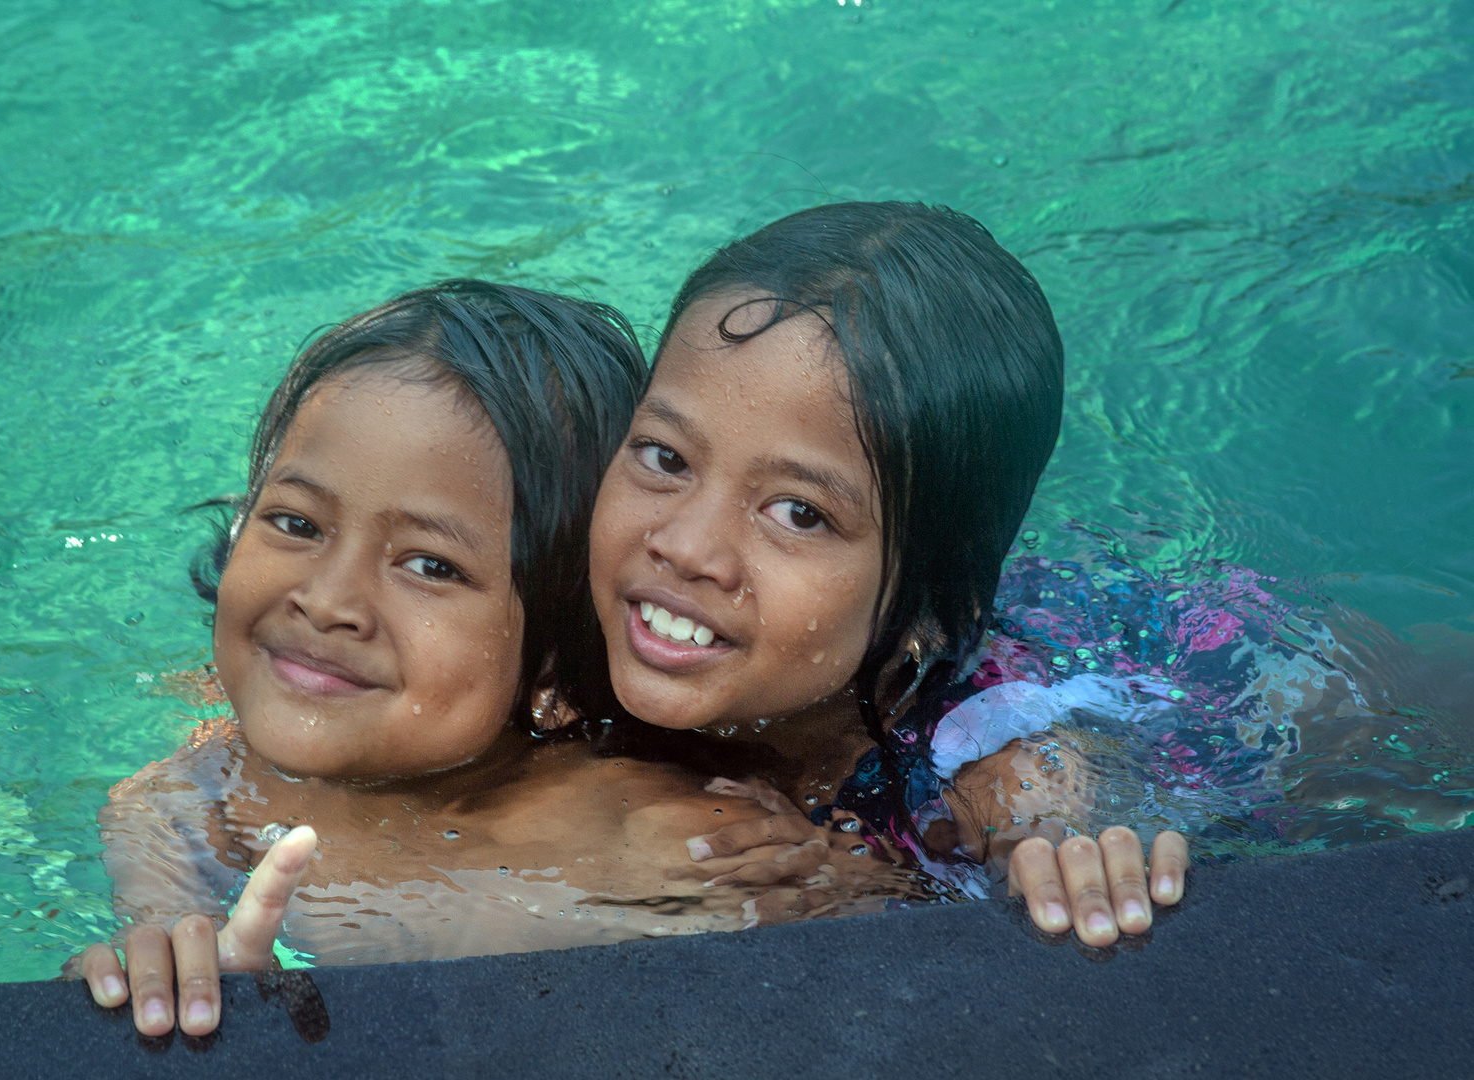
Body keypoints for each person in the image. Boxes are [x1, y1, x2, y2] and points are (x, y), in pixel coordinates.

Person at [74, 281, 922, 1037]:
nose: (326, 601)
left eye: (431, 566)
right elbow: (166, 938)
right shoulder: (185, 799)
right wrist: (167, 975)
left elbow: (927, 973)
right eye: (296, 523)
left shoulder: (672, 847)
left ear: (552, 671)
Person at [584, 201, 1190, 945]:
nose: (683, 547)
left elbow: (1041, 845)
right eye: (664, 456)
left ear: (925, 612)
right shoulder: (564, 621)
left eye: (799, 513)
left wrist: (851, 881)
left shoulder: (993, 771)